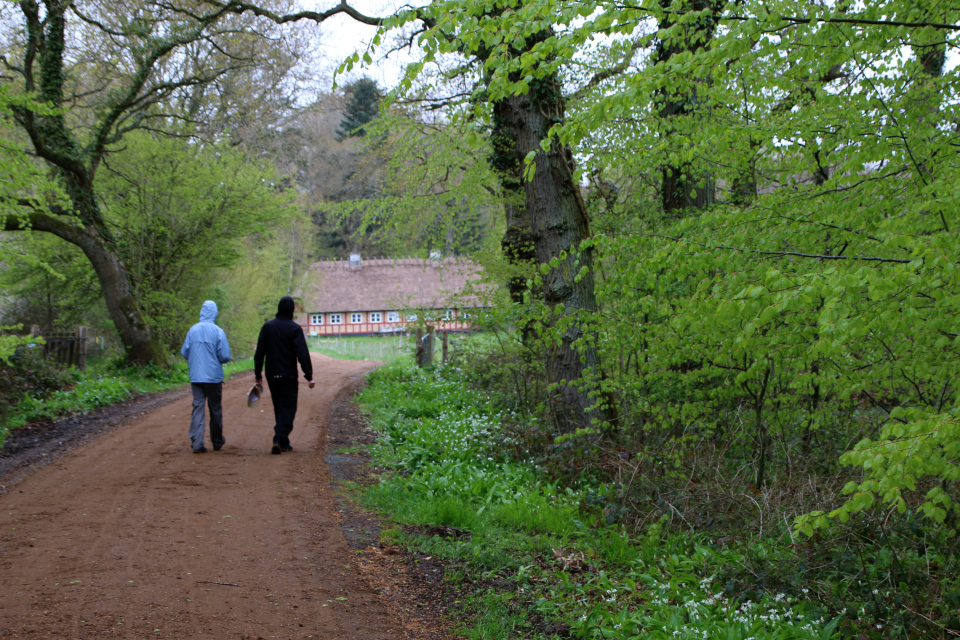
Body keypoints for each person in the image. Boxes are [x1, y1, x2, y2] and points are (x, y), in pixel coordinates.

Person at [254, 296, 315, 454]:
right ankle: (278, 438)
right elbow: (302, 354)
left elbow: (259, 352)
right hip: (288, 375)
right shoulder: (294, 329)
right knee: (288, 408)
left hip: (272, 375)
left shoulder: (267, 327)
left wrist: (257, 374)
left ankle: (284, 442)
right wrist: (309, 375)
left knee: (279, 407)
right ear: (291, 310)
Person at [181, 300, 231, 453]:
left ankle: (197, 443)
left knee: (198, 407)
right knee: (215, 408)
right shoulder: (218, 331)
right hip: (213, 377)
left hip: (196, 376)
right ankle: (216, 441)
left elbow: (184, 352)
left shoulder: (192, 330)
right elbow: (225, 356)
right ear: (214, 313)